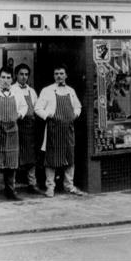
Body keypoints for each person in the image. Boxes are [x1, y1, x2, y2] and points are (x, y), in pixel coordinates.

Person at [35, 65, 83, 198]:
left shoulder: (71, 91)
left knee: (70, 158)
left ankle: (69, 185)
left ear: (66, 75)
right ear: (53, 76)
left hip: (68, 131)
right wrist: (48, 115)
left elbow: (78, 106)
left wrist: (75, 115)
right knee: (51, 159)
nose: (59, 76)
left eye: (61, 73)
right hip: (53, 131)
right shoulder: (47, 90)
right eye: (56, 74)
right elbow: (38, 108)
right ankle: (50, 187)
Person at [0, 67, 27, 202]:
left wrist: (19, 115)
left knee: (11, 163)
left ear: (12, 79)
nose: (6, 80)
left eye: (8, 78)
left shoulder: (17, 92)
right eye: (3, 77)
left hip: (12, 131)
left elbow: (24, 106)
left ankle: (10, 191)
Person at [11, 63, 42, 194]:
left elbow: (37, 107)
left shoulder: (32, 91)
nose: (24, 77)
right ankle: (11, 186)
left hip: (30, 127)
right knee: (15, 156)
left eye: (26, 74)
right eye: (21, 74)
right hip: (17, 125)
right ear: (16, 75)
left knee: (31, 157)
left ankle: (32, 184)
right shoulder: (12, 89)